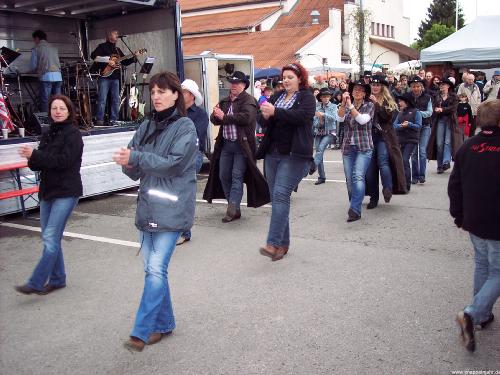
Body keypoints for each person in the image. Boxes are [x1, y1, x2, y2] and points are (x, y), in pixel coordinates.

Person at [113, 71, 197, 352]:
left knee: (155, 271)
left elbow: (172, 164)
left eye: (162, 91)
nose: (156, 96)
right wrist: (127, 163)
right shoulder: (146, 126)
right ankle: (164, 324)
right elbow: (135, 172)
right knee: (153, 271)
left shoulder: (185, 127)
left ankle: (142, 329)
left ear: (177, 95)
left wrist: (136, 157)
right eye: (154, 91)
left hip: (172, 211)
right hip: (147, 209)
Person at [15, 95, 83, 295]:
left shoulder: (73, 134)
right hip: (47, 191)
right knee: (51, 237)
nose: (58, 111)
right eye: (54, 108)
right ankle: (57, 278)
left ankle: (36, 282)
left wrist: (36, 156)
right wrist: (31, 157)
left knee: (50, 237)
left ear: (69, 111)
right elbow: (37, 164)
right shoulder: (48, 133)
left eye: (62, 108)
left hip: (66, 191)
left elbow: (64, 161)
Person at [449, 99, 500, 353]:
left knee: (483, 263)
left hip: (474, 220)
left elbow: (454, 185)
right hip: (496, 221)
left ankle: (481, 315)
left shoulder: (467, 147)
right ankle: (473, 312)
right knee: (498, 270)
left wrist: (459, 215)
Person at [256, 62, 315, 261]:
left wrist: (275, 112)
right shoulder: (278, 96)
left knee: (281, 194)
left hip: (295, 154)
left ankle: (272, 243)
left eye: (290, 77)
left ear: (300, 79)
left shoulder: (306, 97)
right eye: (284, 77)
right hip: (273, 152)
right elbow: (264, 120)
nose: (286, 80)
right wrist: (264, 114)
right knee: (278, 199)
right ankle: (283, 244)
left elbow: (302, 116)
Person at [203, 71, 269, 222]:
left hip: (242, 146)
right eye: (232, 83)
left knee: (236, 175)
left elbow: (246, 118)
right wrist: (216, 114)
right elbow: (214, 119)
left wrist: (224, 117)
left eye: (236, 83)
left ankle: (232, 207)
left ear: (244, 85)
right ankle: (234, 206)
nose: (233, 85)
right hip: (226, 144)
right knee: (223, 175)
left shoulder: (249, 100)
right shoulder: (225, 101)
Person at [365, 75, 407, 209]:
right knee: (370, 169)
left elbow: (386, 117)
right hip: (369, 137)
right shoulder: (366, 99)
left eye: (378, 85)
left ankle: (387, 188)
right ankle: (373, 197)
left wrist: (376, 104)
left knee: (383, 161)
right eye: (373, 85)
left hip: (384, 136)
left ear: (382, 87)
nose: (375, 87)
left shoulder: (388, 100)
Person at [177, 79, 209, 245]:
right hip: (175, 155)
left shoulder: (200, 114)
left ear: (191, 95)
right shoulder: (175, 111)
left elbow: (194, 135)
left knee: (184, 193)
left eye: (183, 91)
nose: (179, 95)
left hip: (192, 155)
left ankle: (184, 232)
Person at [338, 80, 375, 222]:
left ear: (365, 94)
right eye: (355, 90)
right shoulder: (347, 105)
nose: (357, 92)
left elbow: (361, 120)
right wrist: (343, 103)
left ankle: (355, 209)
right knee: (349, 180)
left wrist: (350, 105)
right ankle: (355, 203)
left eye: (360, 90)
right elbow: (340, 118)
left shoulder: (369, 105)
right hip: (348, 146)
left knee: (358, 176)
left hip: (364, 147)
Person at [91, 29, 137, 126]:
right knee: (102, 99)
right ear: (109, 36)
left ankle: (114, 119)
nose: (117, 35)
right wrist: (108, 61)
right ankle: (100, 120)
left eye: (117, 34)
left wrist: (134, 57)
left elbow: (125, 61)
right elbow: (94, 56)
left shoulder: (117, 50)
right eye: (115, 33)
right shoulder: (102, 47)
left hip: (115, 78)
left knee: (116, 99)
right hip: (104, 76)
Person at [427, 78, 462, 174]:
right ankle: (439, 165)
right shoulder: (436, 95)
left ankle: (446, 162)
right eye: (440, 84)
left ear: (448, 86)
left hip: (450, 121)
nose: (441, 86)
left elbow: (453, 108)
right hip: (440, 121)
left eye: (443, 84)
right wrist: (436, 109)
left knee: (447, 142)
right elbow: (433, 107)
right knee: (439, 144)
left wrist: (442, 109)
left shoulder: (454, 96)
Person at [311, 88, 344, 185]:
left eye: (328, 96)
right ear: (320, 98)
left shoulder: (333, 106)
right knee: (318, 153)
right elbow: (314, 122)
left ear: (330, 97)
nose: (326, 98)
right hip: (319, 132)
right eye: (324, 97)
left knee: (320, 149)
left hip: (330, 132)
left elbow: (334, 118)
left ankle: (313, 166)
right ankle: (322, 177)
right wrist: (319, 122)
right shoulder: (317, 107)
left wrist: (323, 114)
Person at [393, 95, 422, 191]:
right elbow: (394, 126)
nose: (399, 103)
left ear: (407, 102)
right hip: (401, 140)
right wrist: (402, 125)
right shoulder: (400, 113)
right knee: (400, 161)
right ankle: (401, 183)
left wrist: (409, 124)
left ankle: (407, 184)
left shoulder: (416, 112)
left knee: (405, 160)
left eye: (401, 101)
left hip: (411, 139)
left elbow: (418, 126)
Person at [407, 76, 433, 184]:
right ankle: (414, 176)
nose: (416, 88)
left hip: (425, 126)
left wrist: (417, 113)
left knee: (422, 151)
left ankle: (422, 175)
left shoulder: (427, 97)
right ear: (411, 87)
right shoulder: (407, 97)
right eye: (414, 86)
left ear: (421, 87)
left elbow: (430, 112)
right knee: (413, 153)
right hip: (412, 128)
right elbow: (405, 110)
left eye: (418, 86)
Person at [30, 30, 62, 113]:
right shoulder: (54, 48)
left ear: (37, 38)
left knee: (45, 100)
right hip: (58, 76)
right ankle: (59, 119)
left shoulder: (36, 49)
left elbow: (33, 66)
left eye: (34, 40)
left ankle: (46, 121)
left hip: (46, 76)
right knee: (58, 100)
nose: (34, 42)